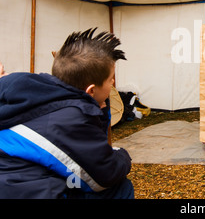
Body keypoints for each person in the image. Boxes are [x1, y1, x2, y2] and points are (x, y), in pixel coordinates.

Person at [0, 28, 134, 199]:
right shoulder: (72, 118)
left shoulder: (33, 95)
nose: (113, 83)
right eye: (110, 79)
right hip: (26, 192)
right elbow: (105, 175)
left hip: (14, 181)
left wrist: (97, 107)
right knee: (121, 189)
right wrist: (122, 155)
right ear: (91, 90)